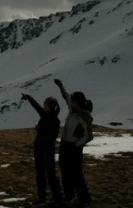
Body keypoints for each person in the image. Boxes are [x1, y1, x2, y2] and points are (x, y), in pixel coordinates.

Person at [54, 79, 92, 207]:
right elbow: (66, 95)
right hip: (65, 144)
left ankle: (84, 199)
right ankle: (69, 196)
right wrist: (60, 85)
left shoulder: (84, 116)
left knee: (76, 173)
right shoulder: (73, 107)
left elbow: (88, 136)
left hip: (74, 148)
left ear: (77, 103)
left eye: (73, 101)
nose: (71, 102)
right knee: (65, 171)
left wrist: (75, 145)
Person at [21, 93, 63, 206]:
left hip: (45, 149)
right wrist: (29, 97)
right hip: (43, 148)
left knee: (47, 174)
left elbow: (49, 135)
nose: (43, 105)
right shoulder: (49, 116)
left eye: (45, 104)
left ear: (49, 106)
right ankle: (51, 197)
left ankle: (53, 198)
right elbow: (36, 106)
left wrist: (39, 128)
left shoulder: (51, 119)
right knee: (44, 174)